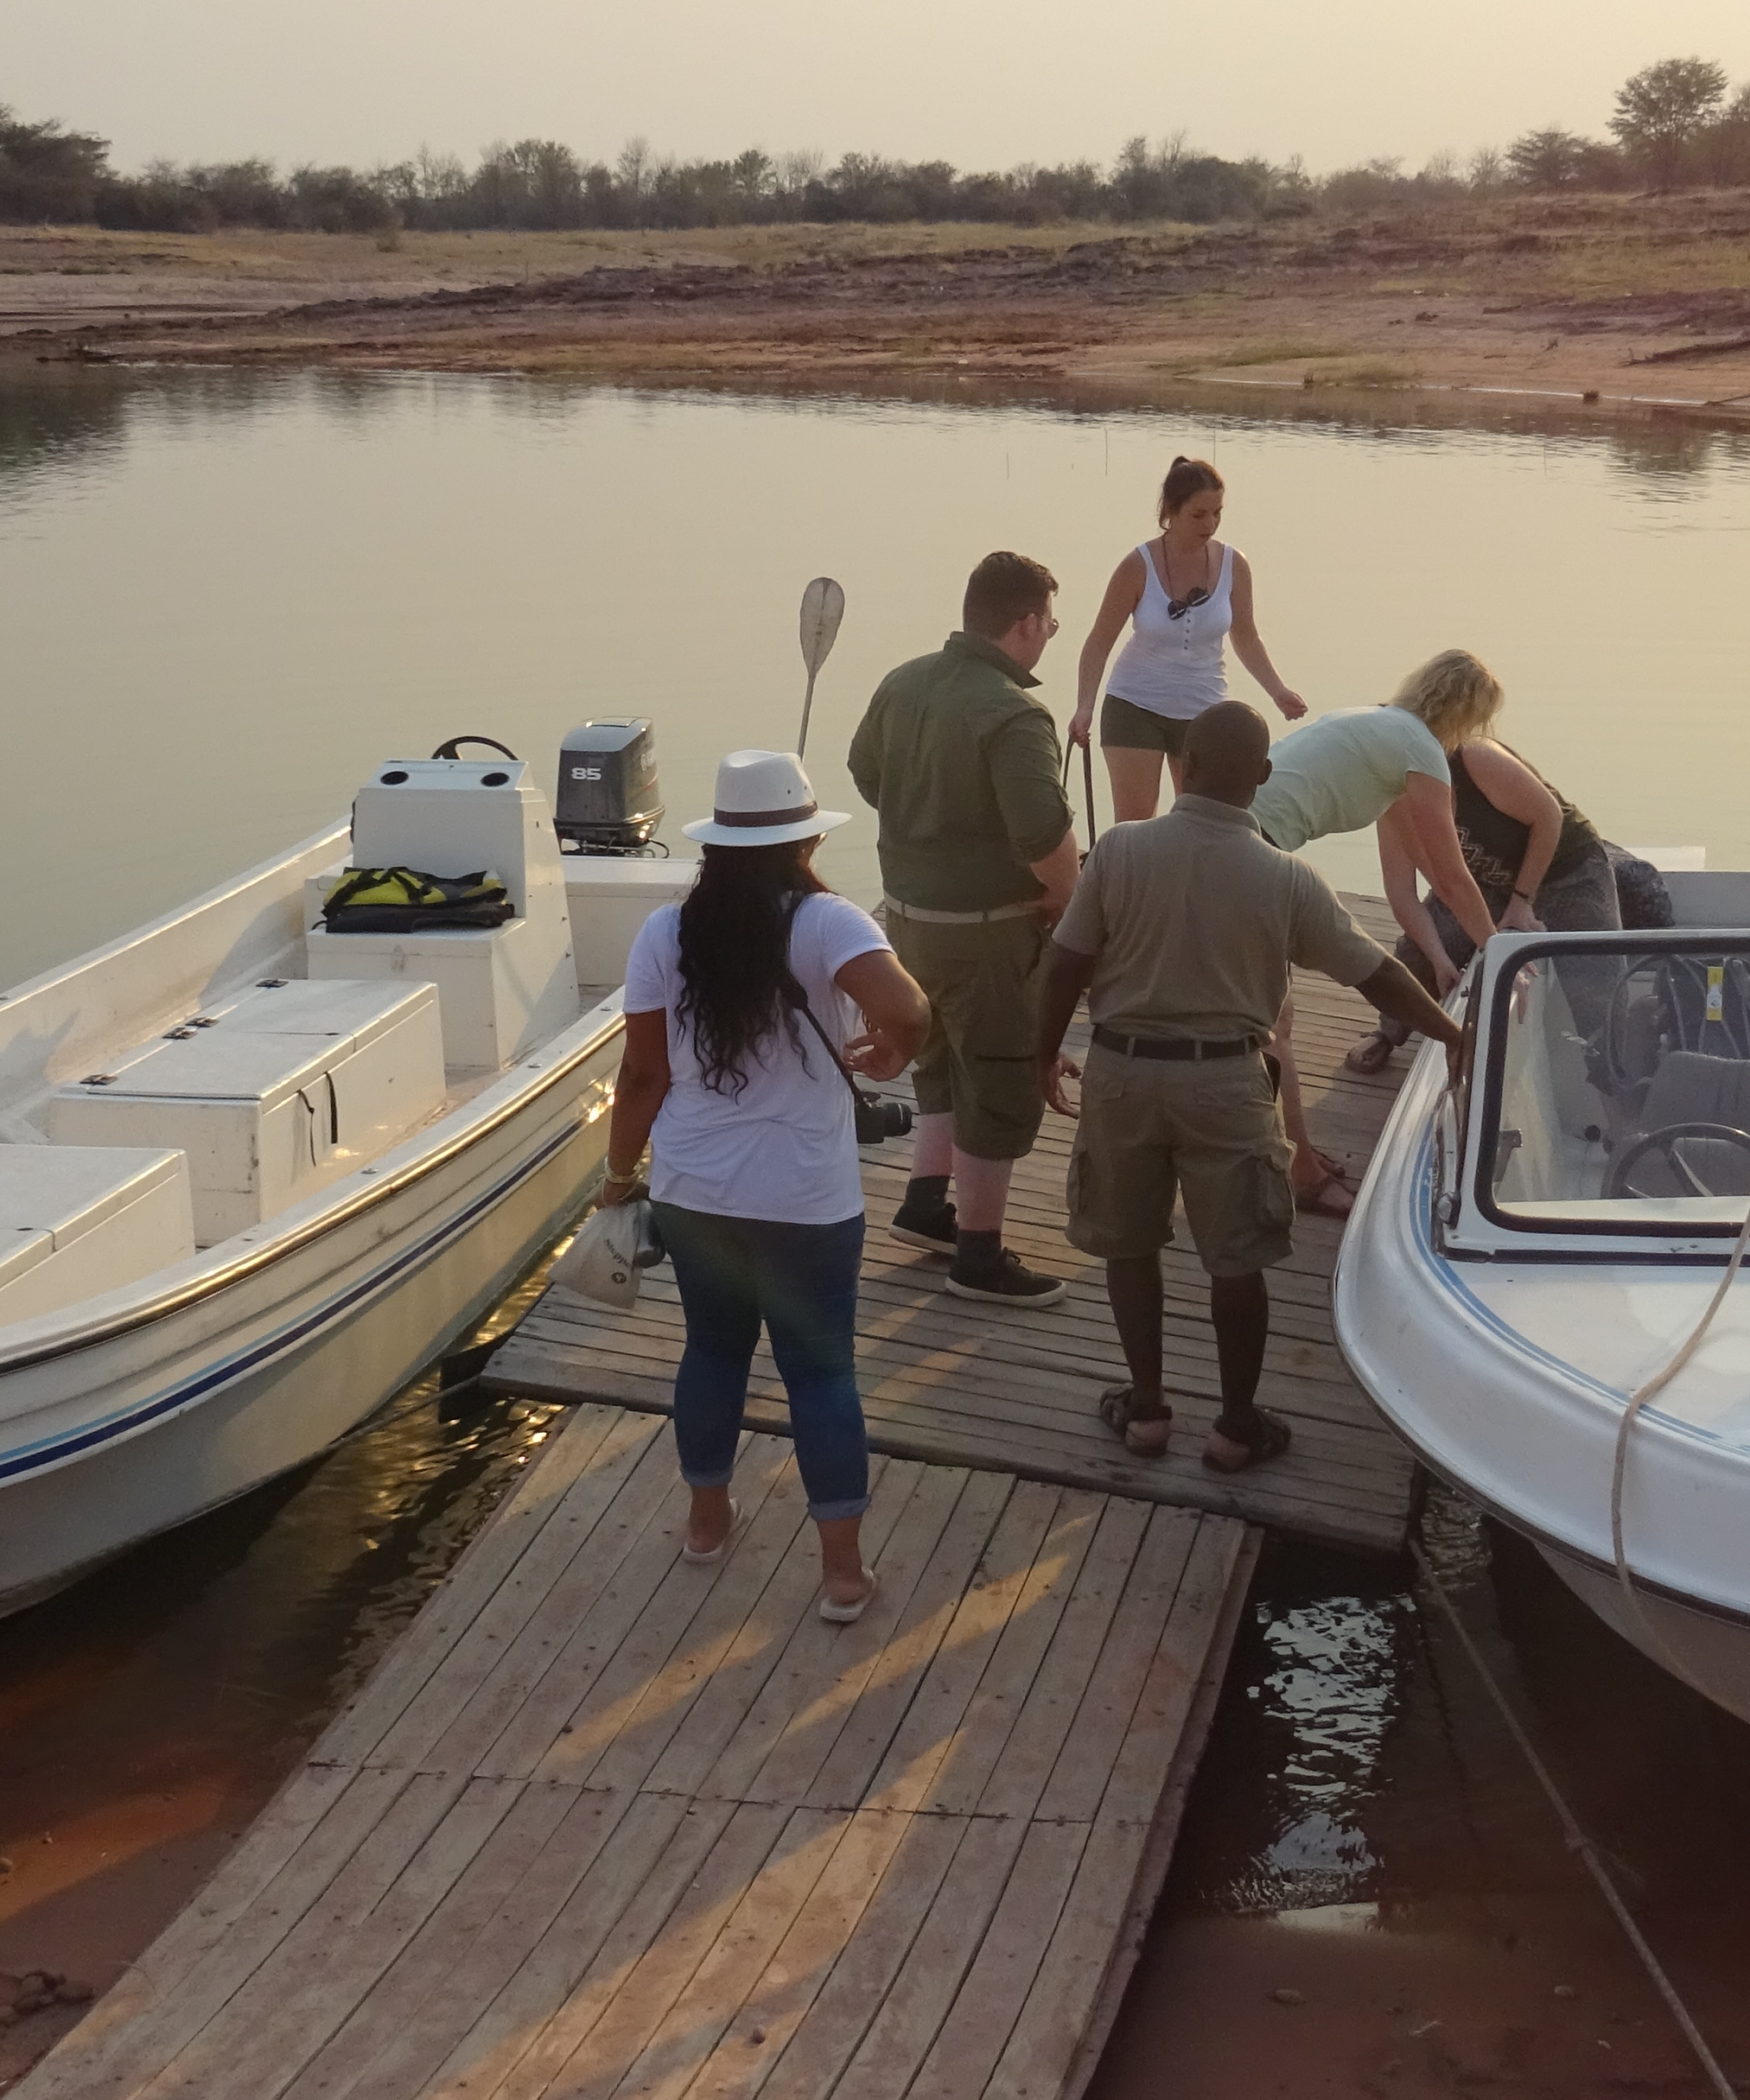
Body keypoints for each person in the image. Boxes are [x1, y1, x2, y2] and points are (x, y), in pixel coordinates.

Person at [1036, 703, 1468, 1474]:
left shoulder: (1119, 852)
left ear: (1186, 766)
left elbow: (1065, 965)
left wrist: (1040, 1055)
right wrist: (1453, 1036)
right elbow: (1377, 975)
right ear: (1263, 777)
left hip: (1122, 1076)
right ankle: (1235, 1427)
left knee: (1129, 1248)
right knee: (1236, 1260)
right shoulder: (1287, 877)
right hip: (1227, 1083)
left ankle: (1145, 1412)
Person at [601, 751, 934, 1623]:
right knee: (820, 1374)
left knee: (712, 1353)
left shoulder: (662, 935)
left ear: (714, 845)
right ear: (808, 838)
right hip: (805, 1200)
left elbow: (641, 1077)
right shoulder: (829, 923)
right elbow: (909, 1009)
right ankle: (842, 1578)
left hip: (695, 1192)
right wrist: (895, 1052)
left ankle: (707, 1527)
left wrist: (617, 1176)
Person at [843, 550, 1084, 1305]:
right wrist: (1071, 901)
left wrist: (927, 828)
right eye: (1049, 620)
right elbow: (1043, 835)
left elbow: (864, 770)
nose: (1051, 633)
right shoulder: (1014, 713)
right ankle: (978, 1257)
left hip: (906, 922)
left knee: (940, 1063)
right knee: (1001, 1083)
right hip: (985, 936)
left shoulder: (903, 680)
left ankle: (923, 1208)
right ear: (1023, 624)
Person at [1244, 688, 1500, 1212]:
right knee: (1272, 1022)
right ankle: (1301, 1173)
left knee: (1272, 1021)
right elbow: (1451, 878)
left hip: (1237, 827)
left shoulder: (1379, 729)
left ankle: (1293, 1151)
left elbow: (1427, 865)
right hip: (1256, 849)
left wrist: (1443, 956)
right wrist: (1497, 952)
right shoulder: (1423, 751)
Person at [1352, 648, 1622, 1073]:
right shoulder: (1394, 781)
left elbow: (1548, 817)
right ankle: (1389, 1030)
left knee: (1597, 986)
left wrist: (1521, 901)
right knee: (1416, 954)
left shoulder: (1475, 758)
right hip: (1479, 884)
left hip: (1566, 871)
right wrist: (1441, 958)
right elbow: (1400, 891)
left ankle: (1616, 1084)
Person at [1066, 456, 1307, 824]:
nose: (1209, 524)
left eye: (1217, 513)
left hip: (1203, 712)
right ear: (1171, 512)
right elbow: (1099, 641)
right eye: (1198, 515)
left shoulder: (1234, 564)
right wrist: (1085, 707)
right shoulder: (1137, 565)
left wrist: (1278, 691)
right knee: (1135, 825)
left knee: (1201, 821)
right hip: (1135, 704)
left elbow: (1246, 635)